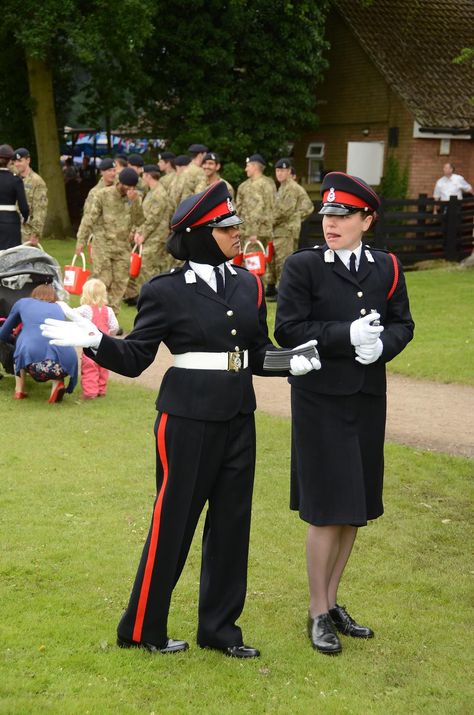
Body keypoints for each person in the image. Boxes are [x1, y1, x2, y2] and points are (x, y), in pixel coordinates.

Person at [41, 180, 319, 657]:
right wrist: (95, 341)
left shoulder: (249, 284)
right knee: (173, 523)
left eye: (235, 224)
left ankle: (220, 630)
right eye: (226, 226)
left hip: (238, 416)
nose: (237, 232)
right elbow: (135, 358)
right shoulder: (165, 290)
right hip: (186, 420)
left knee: (232, 526)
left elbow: (252, 353)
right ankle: (142, 628)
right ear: (198, 234)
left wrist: (289, 360)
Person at [275, 171, 414, 655]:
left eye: (343, 216)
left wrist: (383, 348)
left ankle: (333, 602)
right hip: (319, 400)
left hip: (366, 399)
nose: (330, 224)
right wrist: (344, 336)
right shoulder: (303, 266)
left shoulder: (386, 267)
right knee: (326, 508)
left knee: (353, 508)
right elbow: (287, 330)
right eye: (327, 215)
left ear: (366, 220)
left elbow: (403, 324)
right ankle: (316, 611)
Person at [75, 167, 144, 317]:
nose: (130, 190)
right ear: (120, 183)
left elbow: (139, 220)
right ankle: (91, 313)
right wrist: (81, 240)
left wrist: (134, 203)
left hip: (123, 247)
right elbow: (89, 219)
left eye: (133, 187)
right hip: (103, 245)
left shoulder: (134, 199)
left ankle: (110, 318)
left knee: (120, 283)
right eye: (128, 186)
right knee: (103, 280)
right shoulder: (103, 195)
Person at [0, 284, 78, 402]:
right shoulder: (60, 307)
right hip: (66, 363)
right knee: (56, 347)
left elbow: (3, 333)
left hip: (35, 363)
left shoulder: (23, 303)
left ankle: (19, 390)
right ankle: (57, 385)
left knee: (21, 344)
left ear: (34, 294)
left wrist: (12, 338)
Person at [269, 158, 314, 300]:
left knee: (284, 261)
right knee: (277, 260)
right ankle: (276, 289)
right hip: (280, 230)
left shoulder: (291, 188)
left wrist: (294, 219)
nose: (280, 173)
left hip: (286, 231)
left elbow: (284, 211)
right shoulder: (283, 187)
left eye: (283, 170)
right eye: (278, 170)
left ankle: (283, 291)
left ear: (289, 172)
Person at [235, 154, 275, 291]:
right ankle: (253, 291)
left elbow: (262, 209)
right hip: (251, 231)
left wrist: (253, 232)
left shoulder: (262, 185)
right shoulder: (245, 186)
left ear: (255, 166)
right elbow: (238, 209)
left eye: (248, 166)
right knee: (251, 264)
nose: (246, 169)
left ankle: (254, 293)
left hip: (256, 233)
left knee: (255, 265)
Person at [74, 278, 118, 399]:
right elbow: (115, 326)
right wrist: (109, 334)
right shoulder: (108, 310)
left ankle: (90, 393)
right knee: (103, 368)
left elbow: (73, 315)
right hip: (105, 345)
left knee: (89, 369)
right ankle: (101, 390)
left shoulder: (85, 309)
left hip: (91, 345)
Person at [13, 147, 48, 246]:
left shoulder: (37, 181)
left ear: (28, 160)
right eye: (15, 161)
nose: (17, 164)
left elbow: (40, 209)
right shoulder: (13, 179)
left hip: (27, 233)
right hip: (11, 230)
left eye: (20, 161)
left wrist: (36, 233)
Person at [0, 144, 29, 250]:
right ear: (10, 161)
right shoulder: (16, 180)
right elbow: (24, 207)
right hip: (10, 222)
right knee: (11, 257)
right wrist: (25, 218)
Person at [170, 143, 208, 208]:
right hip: (192, 210)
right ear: (200, 155)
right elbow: (200, 196)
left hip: (181, 210)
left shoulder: (185, 171)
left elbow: (174, 195)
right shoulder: (200, 172)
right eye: (205, 155)